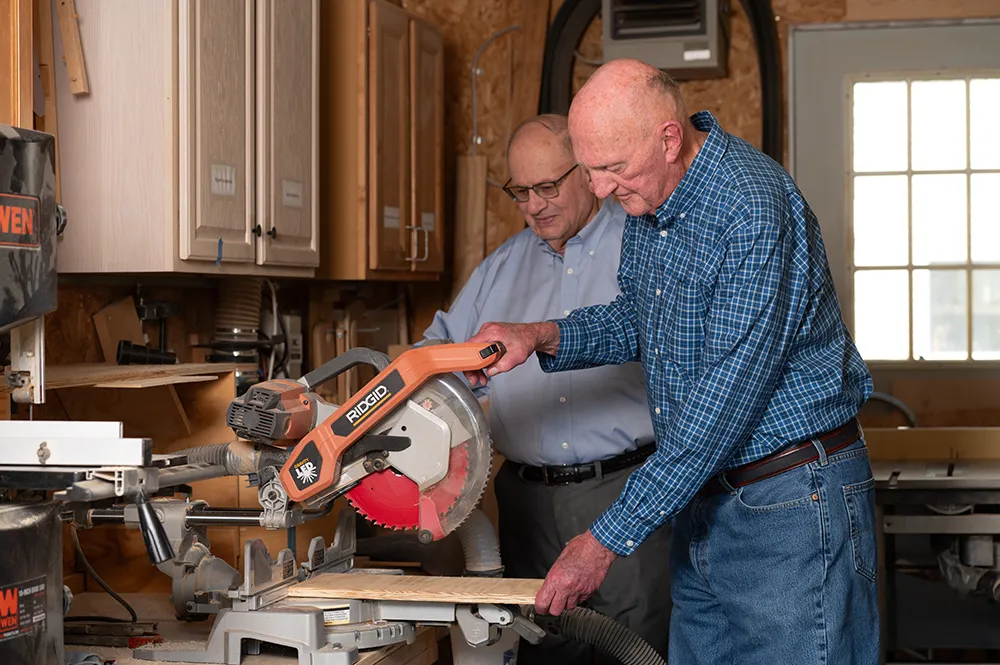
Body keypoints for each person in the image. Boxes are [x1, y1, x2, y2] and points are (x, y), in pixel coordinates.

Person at [464, 59, 879, 664]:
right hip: (709, 499)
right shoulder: (651, 205)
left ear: (668, 137)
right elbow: (638, 317)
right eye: (590, 170)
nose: (601, 190)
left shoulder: (751, 206)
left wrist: (603, 540)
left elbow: (720, 406)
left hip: (789, 502)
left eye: (612, 169)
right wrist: (541, 335)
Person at [421, 113, 671, 664]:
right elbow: (433, 358)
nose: (534, 205)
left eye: (547, 186)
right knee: (544, 651)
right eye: (520, 191)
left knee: (635, 651)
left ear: (587, 172)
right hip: (526, 501)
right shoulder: (499, 269)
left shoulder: (646, 246)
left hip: (625, 494)